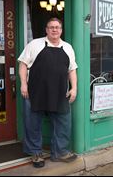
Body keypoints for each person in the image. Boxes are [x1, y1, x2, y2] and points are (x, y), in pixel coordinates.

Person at [18, 18, 78, 168]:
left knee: (63, 122)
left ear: (61, 30)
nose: (54, 30)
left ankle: (60, 152)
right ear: (46, 29)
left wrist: (74, 88)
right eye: (51, 27)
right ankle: (36, 153)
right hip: (35, 91)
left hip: (59, 92)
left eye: (57, 27)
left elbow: (72, 70)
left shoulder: (68, 47)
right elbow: (23, 64)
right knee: (33, 123)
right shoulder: (35, 44)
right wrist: (23, 84)